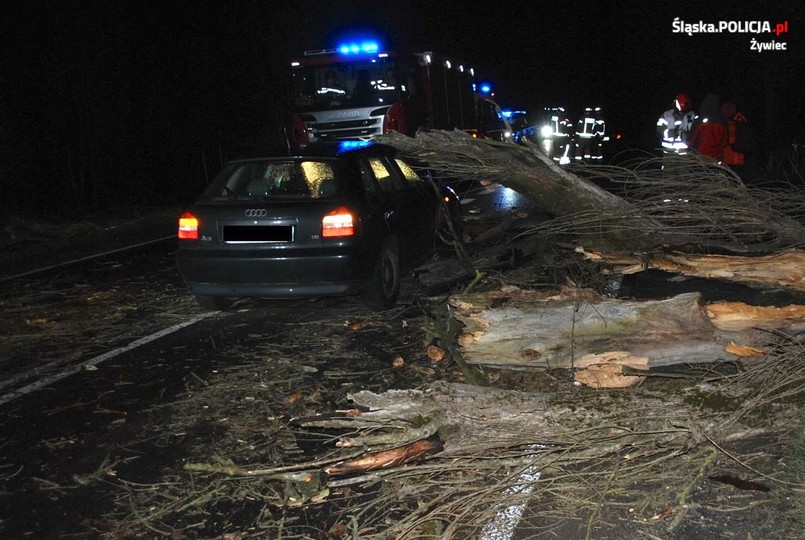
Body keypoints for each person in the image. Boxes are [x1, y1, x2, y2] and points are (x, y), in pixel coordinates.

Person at [689, 93, 726, 161]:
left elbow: (691, 141)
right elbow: (725, 142)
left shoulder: (699, 122)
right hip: (717, 158)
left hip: (701, 158)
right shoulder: (723, 123)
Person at [720, 101, 755, 170]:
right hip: (726, 156)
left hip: (737, 155)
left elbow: (745, 137)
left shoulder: (740, 120)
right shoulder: (722, 120)